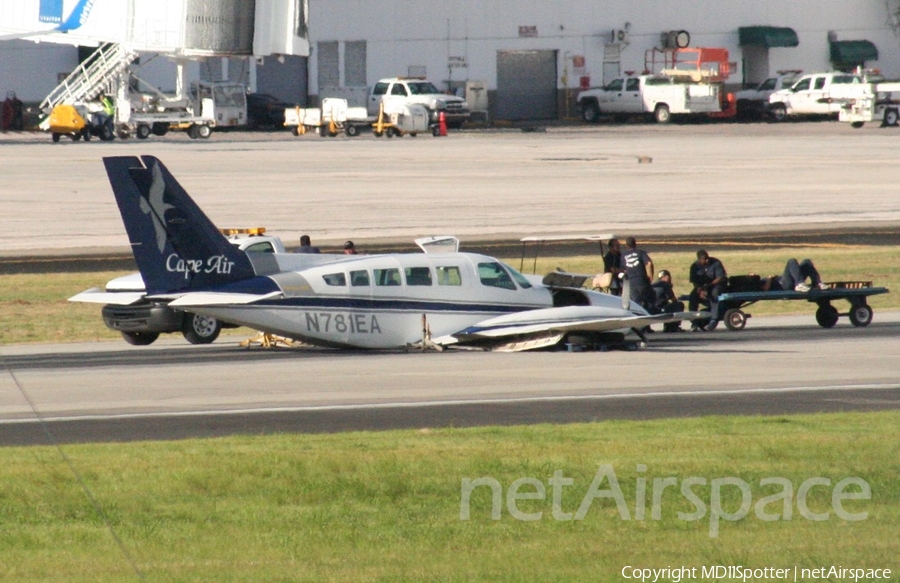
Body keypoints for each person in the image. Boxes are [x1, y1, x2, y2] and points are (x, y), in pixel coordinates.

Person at [688, 250, 727, 331]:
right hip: (702, 286)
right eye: (704, 259)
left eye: (707, 258)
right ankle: (694, 321)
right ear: (699, 260)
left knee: (714, 294)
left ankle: (714, 319)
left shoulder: (716, 263)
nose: (707, 260)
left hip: (716, 285)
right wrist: (699, 289)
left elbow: (720, 278)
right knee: (692, 297)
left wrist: (709, 285)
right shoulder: (695, 266)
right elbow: (694, 281)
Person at [619, 237, 655, 311]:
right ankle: (649, 315)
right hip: (642, 281)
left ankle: (640, 317)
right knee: (649, 300)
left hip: (631, 282)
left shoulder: (623, 256)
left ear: (626, 245)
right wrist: (650, 276)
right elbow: (649, 263)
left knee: (637, 304)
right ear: (635, 244)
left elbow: (623, 269)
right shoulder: (641, 253)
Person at [763, 258, 828, 292]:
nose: (753, 274)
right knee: (791, 261)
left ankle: (816, 283)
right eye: (752, 274)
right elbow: (765, 288)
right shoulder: (755, 282)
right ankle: (799, 284)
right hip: (783, 285)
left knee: (807, 262)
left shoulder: (757, 279)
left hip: (786, 280)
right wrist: (769, 278)